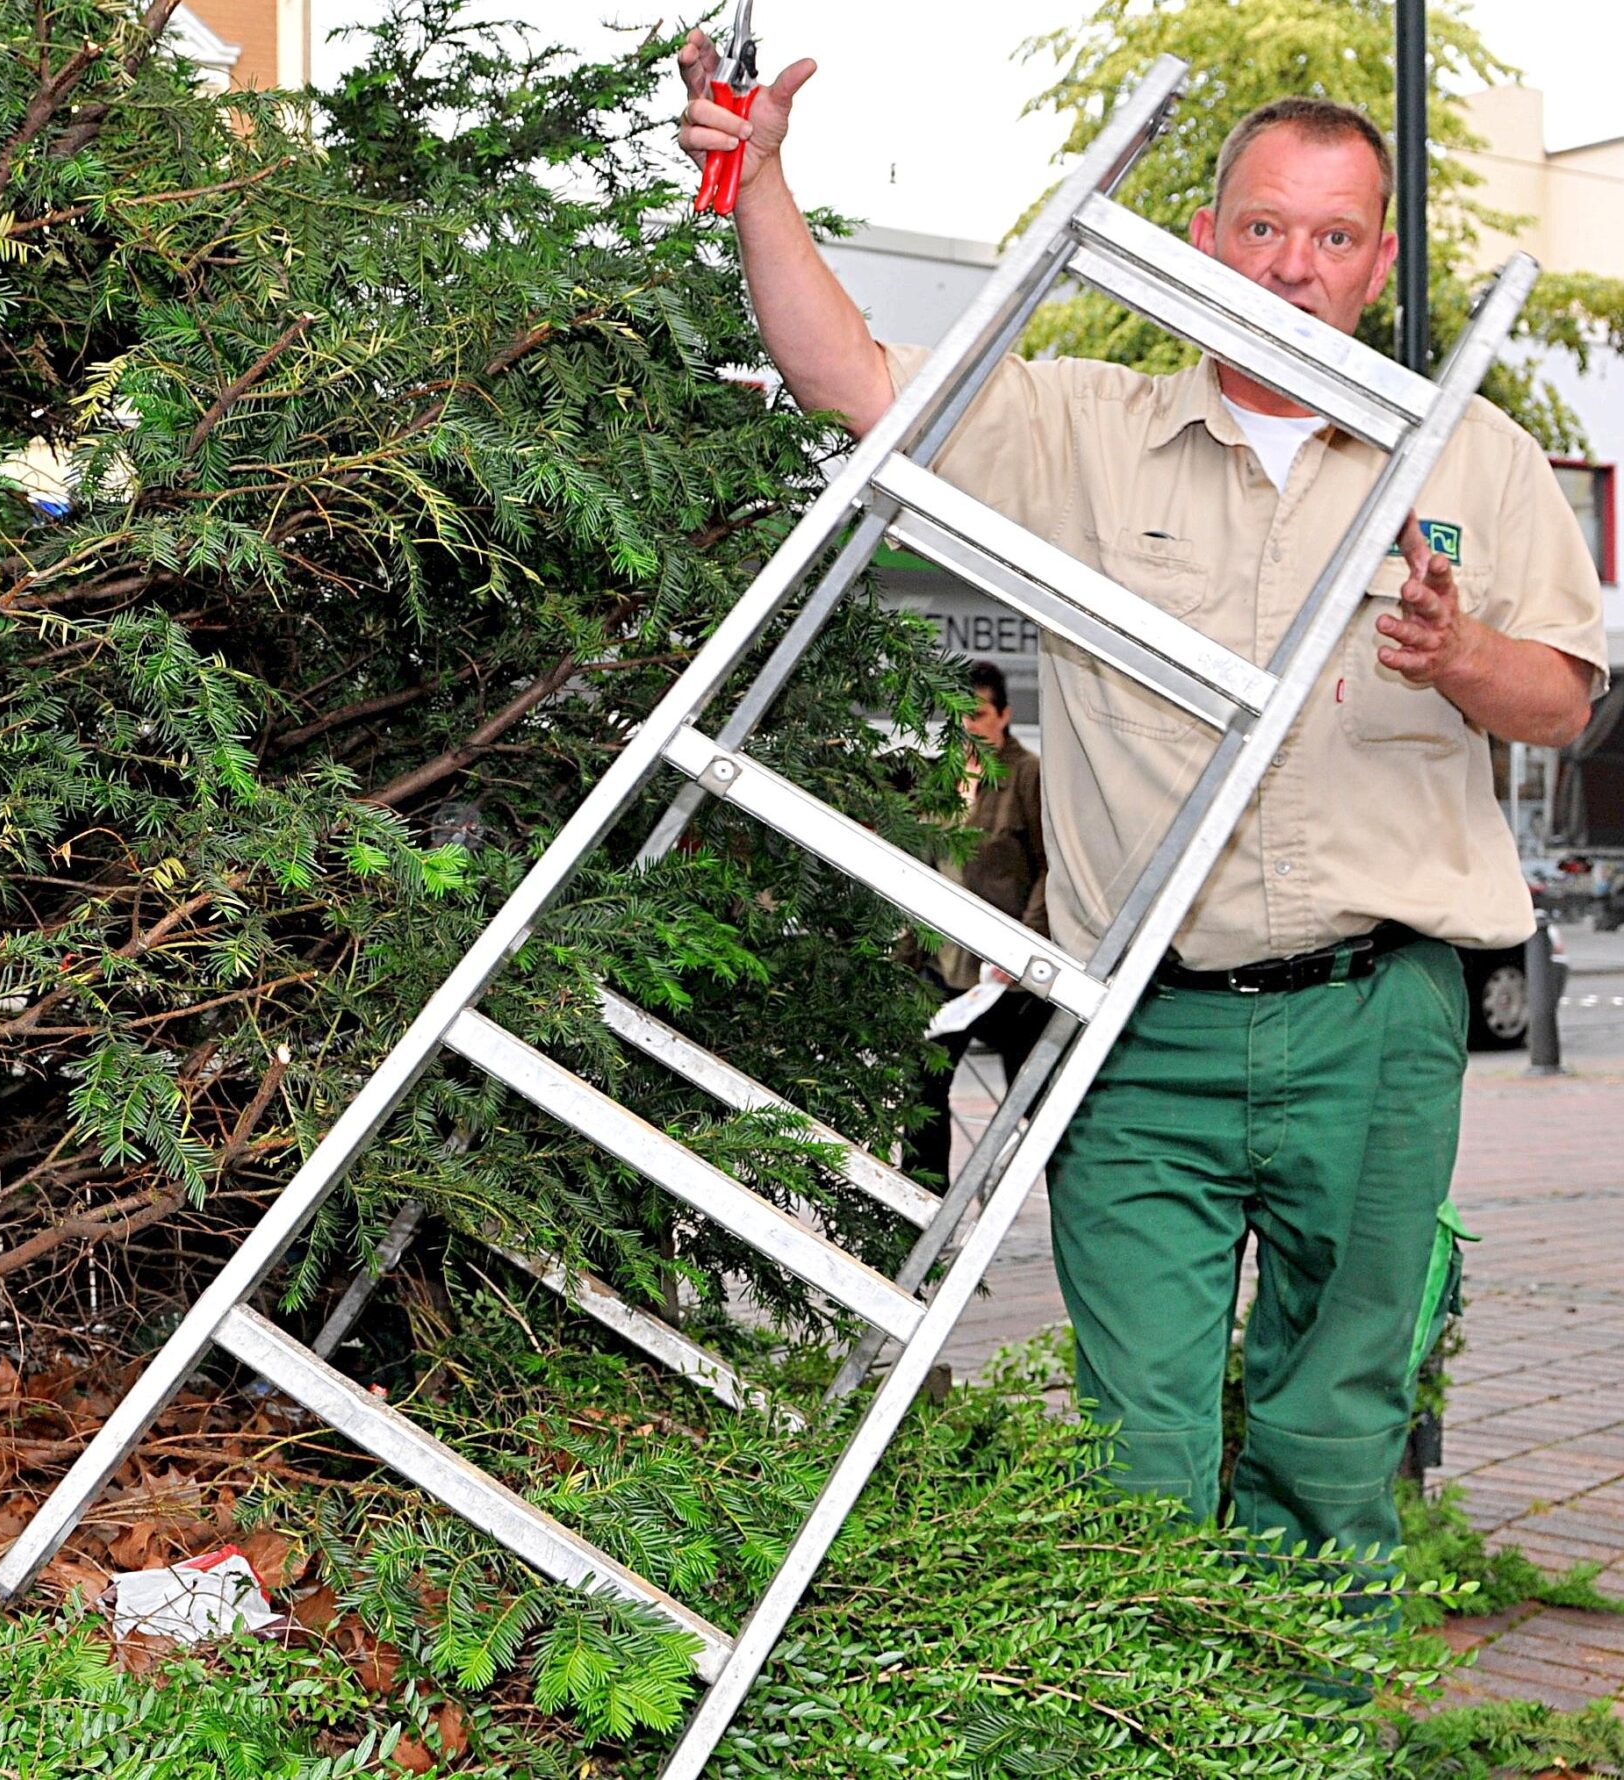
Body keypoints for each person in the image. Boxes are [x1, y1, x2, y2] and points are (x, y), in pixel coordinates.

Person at [676, 43, 1606, 1576]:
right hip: (1141, 1031)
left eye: (1330, 236)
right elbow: (860, 386)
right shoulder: (1084, 429)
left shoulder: (1477, 456)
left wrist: (1464, 654)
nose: (1291, 268)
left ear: (1379, 260)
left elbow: (1565, 698)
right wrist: (759, 177)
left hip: (1377, 1025)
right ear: (1203, 240)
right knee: (1136, 1465)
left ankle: (1305, 1741)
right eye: (1260, 227)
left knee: (1333, 1442)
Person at [905, 660, 1054, 1188]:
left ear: (1005, 716)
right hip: (942, 966)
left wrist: (1028, 948)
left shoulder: (1027, 773)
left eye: (981, 713)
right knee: (922, 1095)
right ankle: (921, 1208)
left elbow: (1048, 867)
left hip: (1005, 974)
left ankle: (1061, 1200)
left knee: (1032, 1097)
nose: (970, 724)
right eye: (961, 714)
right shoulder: (940, 776)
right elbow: (921, 865)